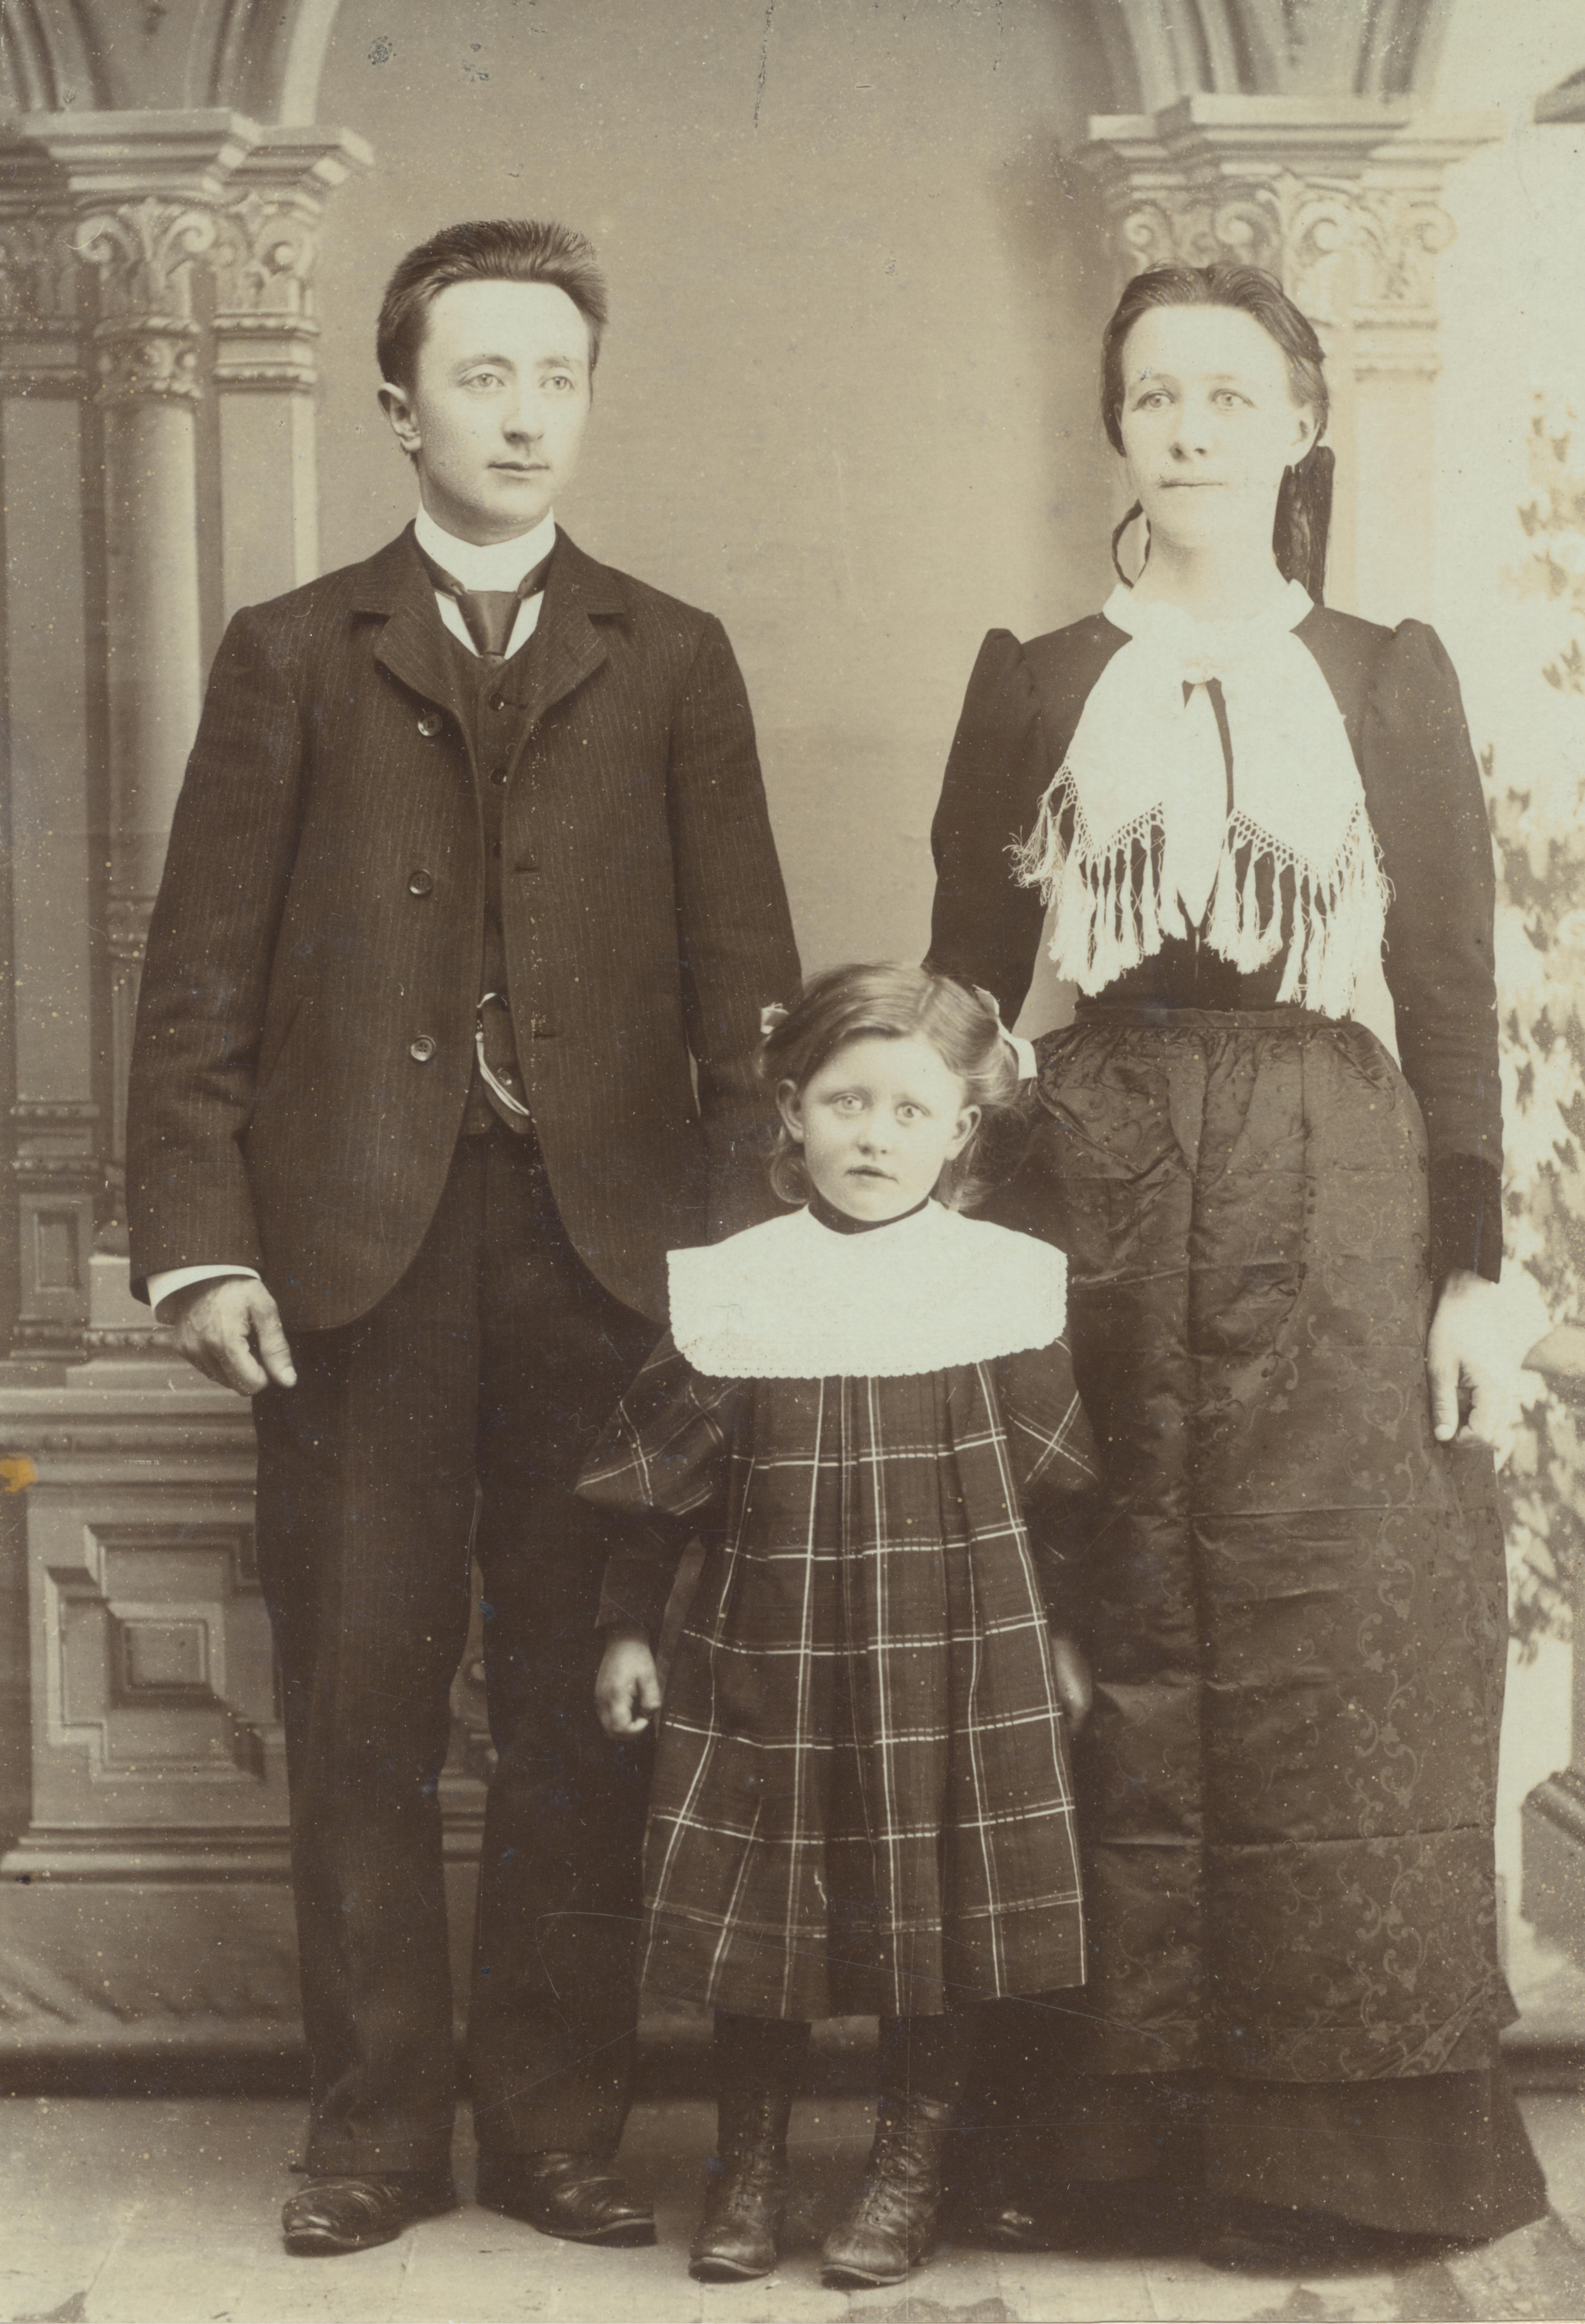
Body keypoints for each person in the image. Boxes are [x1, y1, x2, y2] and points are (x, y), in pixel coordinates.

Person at [126, 218, 799, 2259]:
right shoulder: (290, 651)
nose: (523, 415)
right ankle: (372, 2132)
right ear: (399, 405)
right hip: (356, 1261)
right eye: (481, 376)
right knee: (362, 1704)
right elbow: (197, 978)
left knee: (586, 1702)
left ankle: (559, 2122)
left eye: (556, 377)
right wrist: (201, 1246)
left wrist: (740, 1269)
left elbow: (745, 988)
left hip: (613, 1262)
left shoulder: (669, 653)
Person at [925, 262, 1548, 2268]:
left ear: (1299, 425)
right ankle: (1093, 2149)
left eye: (1229, 394)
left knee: (1326, 1632)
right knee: (1100, 1611)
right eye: (1155, 396)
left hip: (1332, 1193)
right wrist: (928, 1242)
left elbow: (1446, 987)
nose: (1189, 428)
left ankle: (1326, 2160)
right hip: (1086, 1182)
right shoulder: (1034, 677)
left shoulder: (1384, 674)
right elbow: (957, 995)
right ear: (1115, 426)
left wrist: (1474, 1270)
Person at [578, 965, 1099, 2290]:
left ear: (961, 1131)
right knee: (766, 1901)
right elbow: (652, 1489)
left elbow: (1061, 1490)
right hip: (773, 1650)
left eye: (910, 1112)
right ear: (790, 1113)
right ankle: (748, 2165)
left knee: (940, 1899)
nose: (875, 1136)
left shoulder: (1000, 1284)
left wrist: (1063, 1634)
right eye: (845, 1103)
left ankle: (905, 2167)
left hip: (961, 1651)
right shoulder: (741, 1286)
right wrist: (629, 1630)